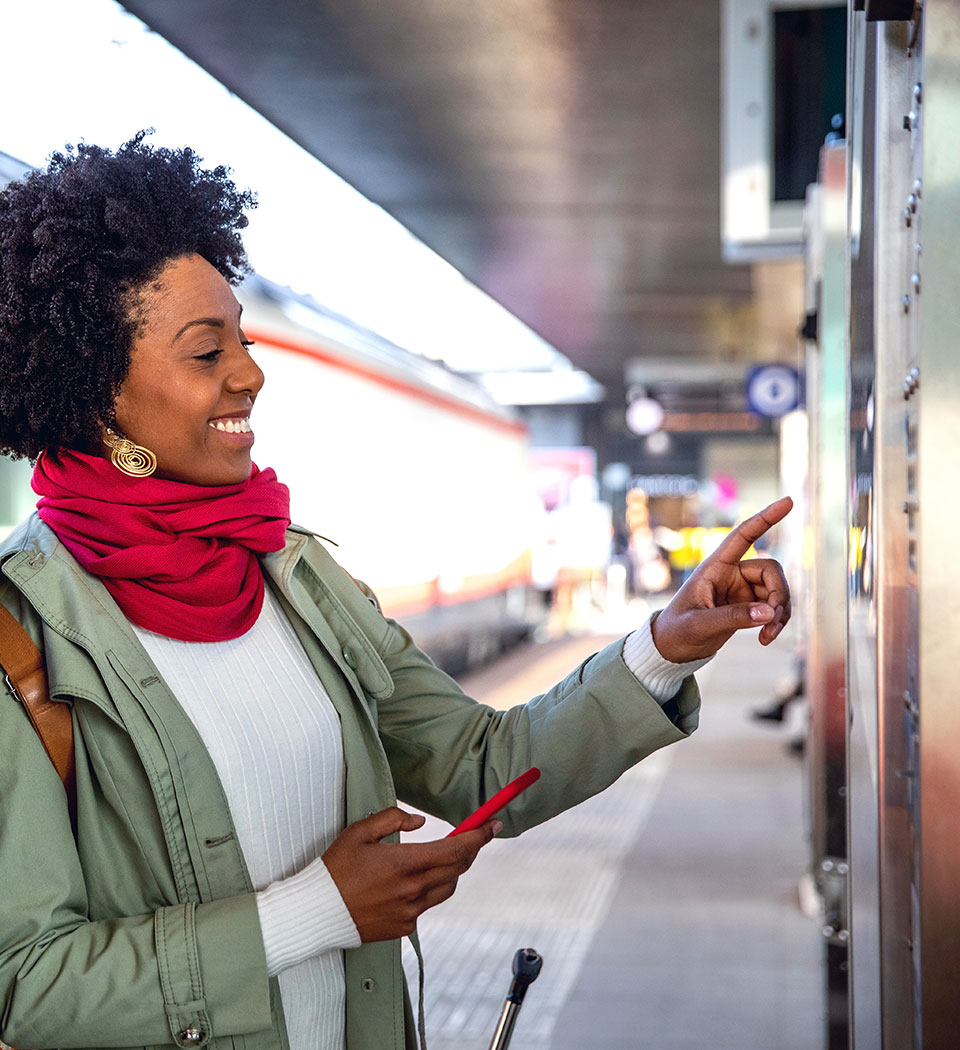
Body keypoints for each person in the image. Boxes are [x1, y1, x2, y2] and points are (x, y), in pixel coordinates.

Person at [0, 134, 792, 1050]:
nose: (250, 374)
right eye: (206, 352)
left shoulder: (297, 578)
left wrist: (664, 644)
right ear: (97, 393)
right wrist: (318, 912)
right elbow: (27, 983)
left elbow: (487, 766)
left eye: (245, 342)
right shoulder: (25, 642)